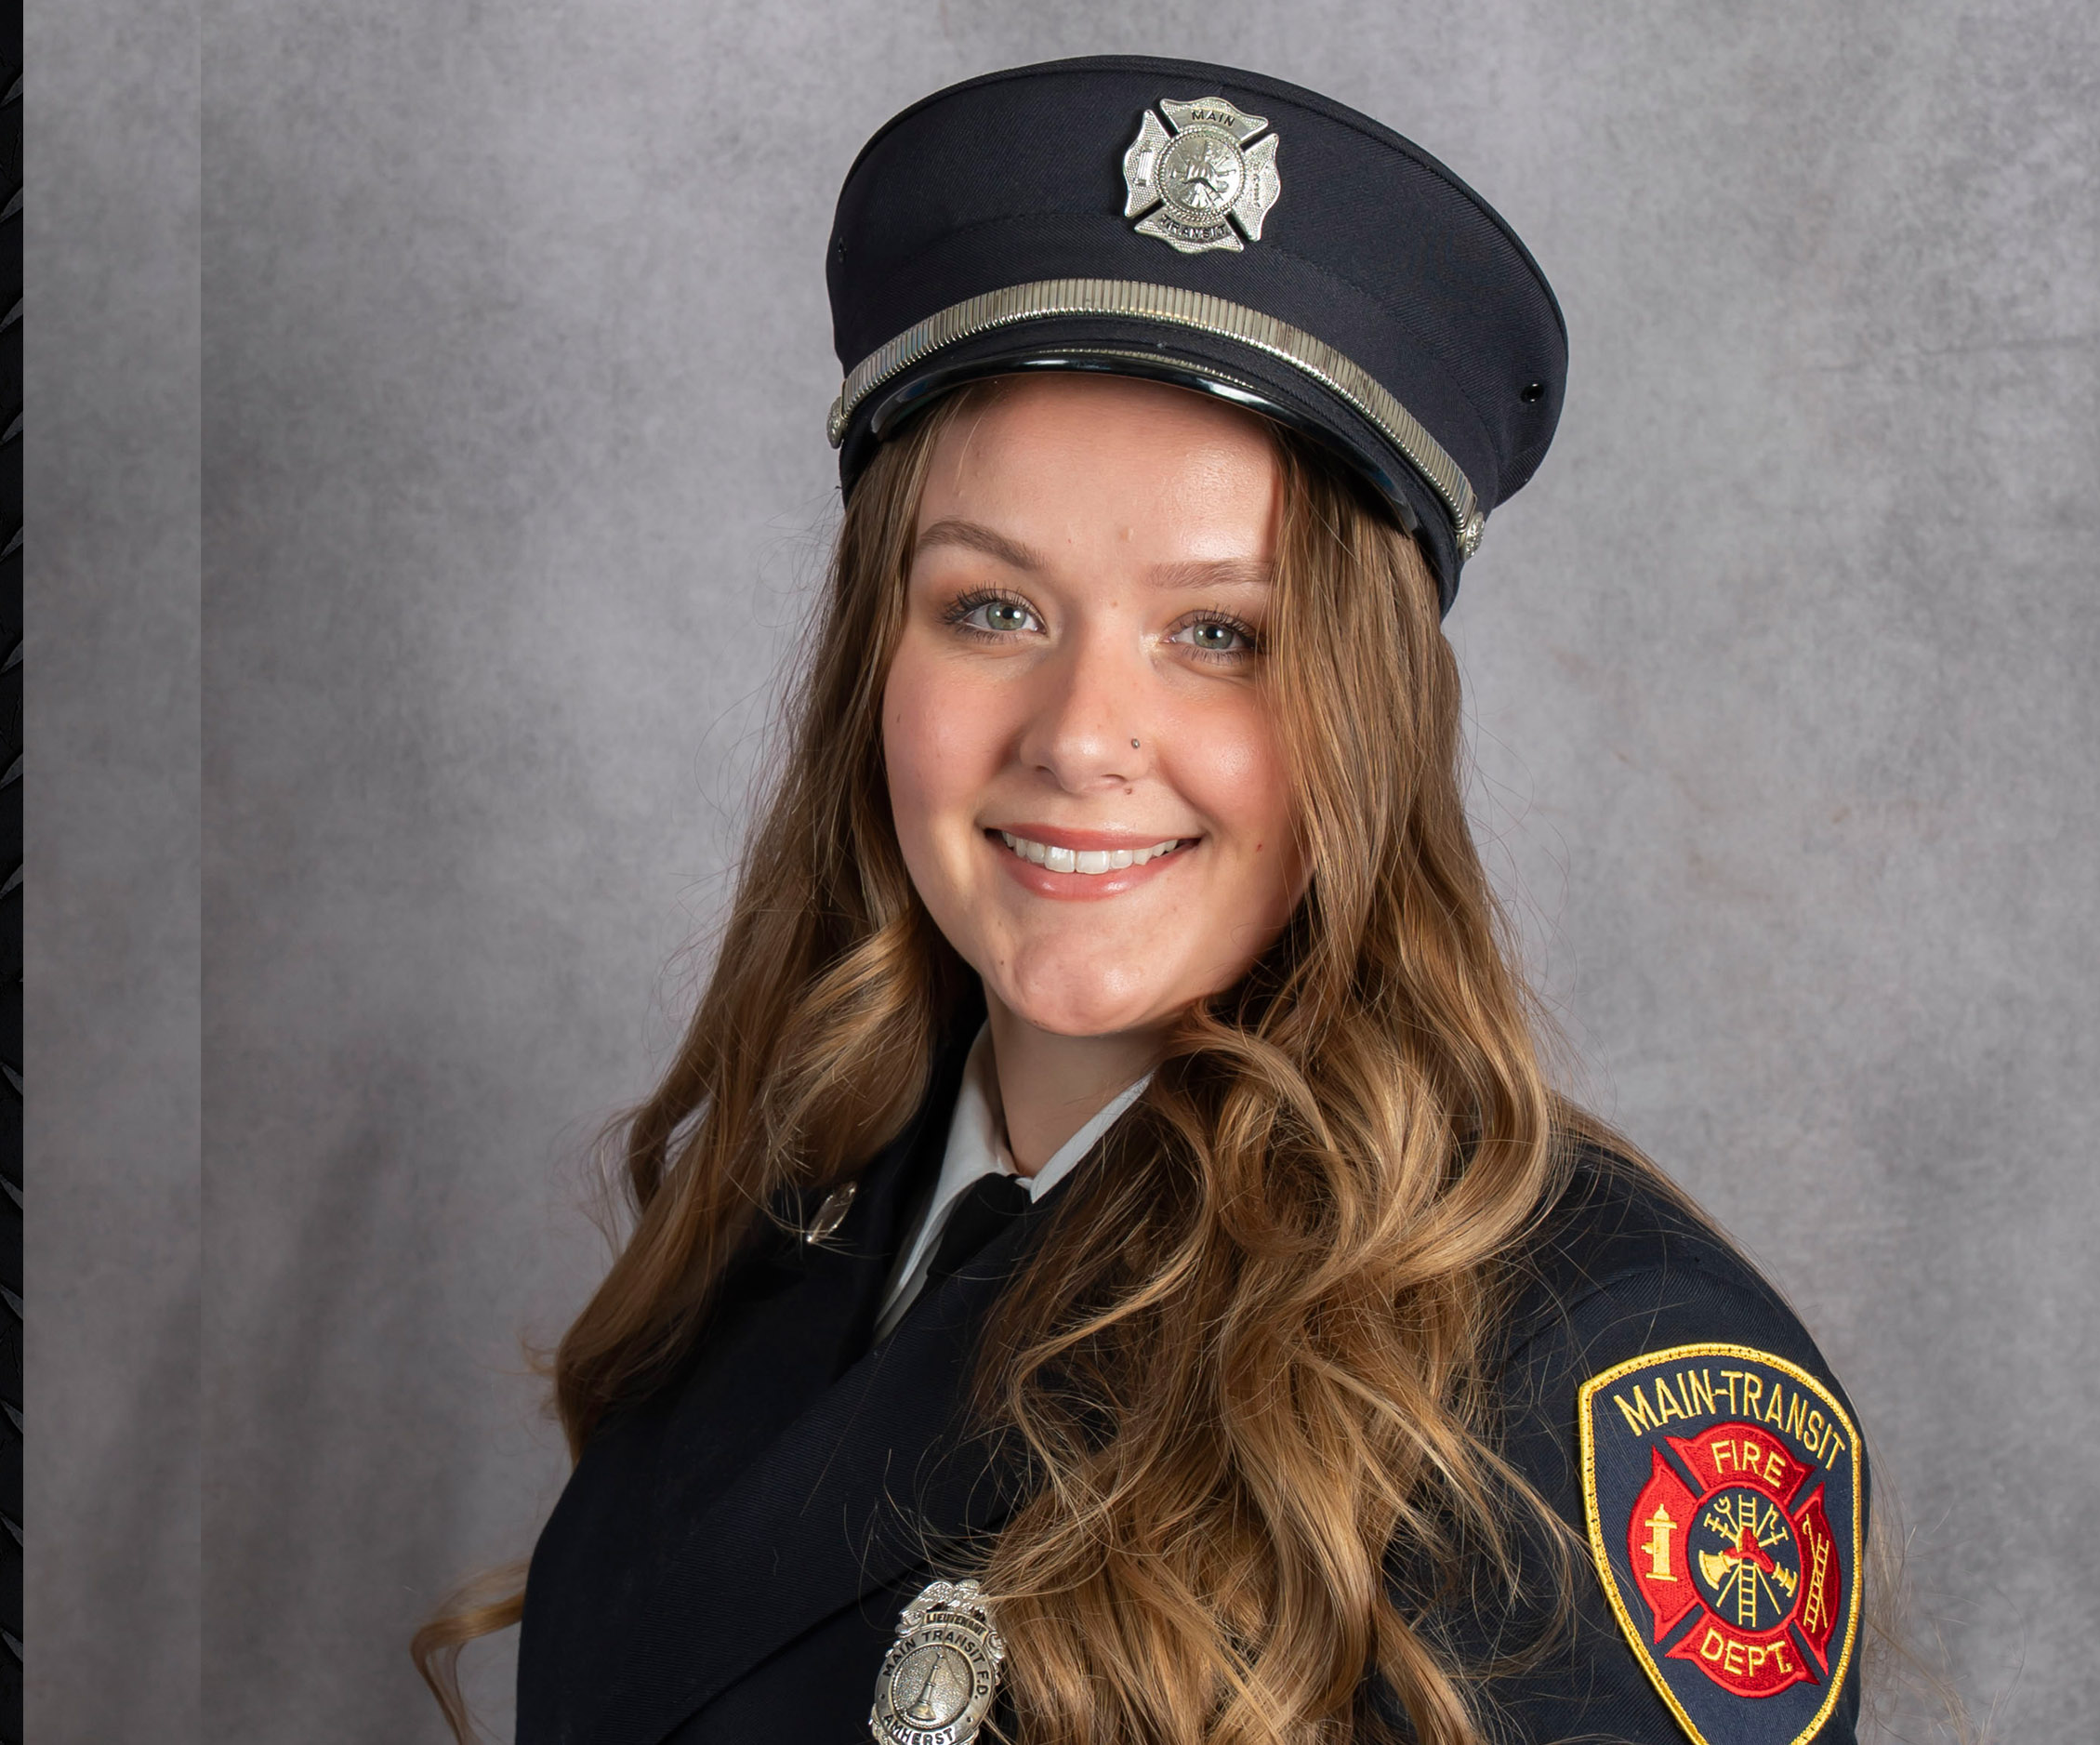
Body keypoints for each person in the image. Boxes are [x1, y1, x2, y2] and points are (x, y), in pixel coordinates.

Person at [416, 56, 1869, 1745]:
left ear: (1371, 719)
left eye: (1219, 635)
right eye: (993, 609)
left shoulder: (1585, 1376)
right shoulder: (786, 1205)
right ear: (874, 657)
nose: (1080, 736)